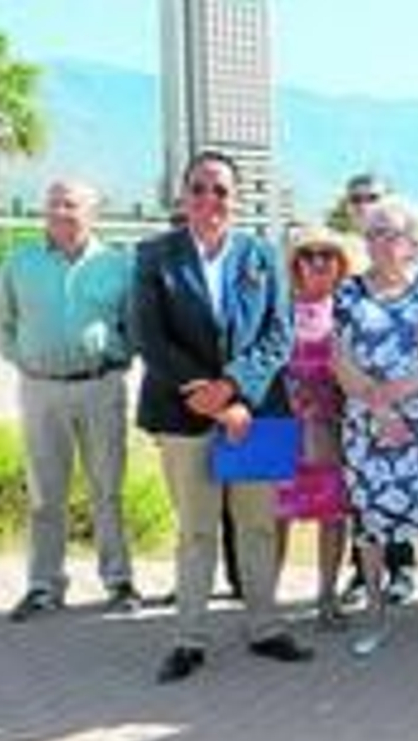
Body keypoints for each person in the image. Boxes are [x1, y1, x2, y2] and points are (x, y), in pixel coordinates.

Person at [134, 150, 313, 684]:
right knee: (196, 530)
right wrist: (201, 390)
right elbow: (148, 334)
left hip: (256, 412)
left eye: (221, 191)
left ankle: (264, 628)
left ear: (237, 199)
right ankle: (189, 637)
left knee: (257, 526)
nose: (210, 200)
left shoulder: (261, 255)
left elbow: (279, 333)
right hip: (181, 410)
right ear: (183, 195)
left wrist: (234, 389)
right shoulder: (154, 257)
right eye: (200, 188)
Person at [0, 179, 141, 622]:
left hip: (100, 388)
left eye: (70, 204)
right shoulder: (20, 262)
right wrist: (28, 361)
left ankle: (119, 581)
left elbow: (133, 325)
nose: (59, 211)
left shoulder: (118, 264)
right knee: (45, 495)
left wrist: (116, 355)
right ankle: (44, 586)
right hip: (40, 390)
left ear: (93, 214)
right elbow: (4, 322)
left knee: (107, 490)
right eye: (53, 203)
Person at [333, 197, 418, 657]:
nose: (381, 243)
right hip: (369, 424)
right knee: (370, 525)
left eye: (391, 233)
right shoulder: (349, 293)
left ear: (412, 242)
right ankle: (374, 614)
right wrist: (380, 407)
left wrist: (409, 388)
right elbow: (341, 362)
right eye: (373, 234)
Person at [335, 171, 417, 607]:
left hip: (407, 393)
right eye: (357, 198)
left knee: (403, 477)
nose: (365, 203)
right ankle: (361, 572)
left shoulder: (409, 261)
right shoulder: (342, 258)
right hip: (356, 392)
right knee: (361, 485)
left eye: (374, 197)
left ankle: (402, 567)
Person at [273, 227, 358, 631]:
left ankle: (327, 598)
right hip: (282, 427)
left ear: (341, 265)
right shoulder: (277, 309)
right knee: (276, 516)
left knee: (333, 515)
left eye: (329, 254)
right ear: (296, 264)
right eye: (310, 254)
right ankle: (265, 601)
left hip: (331, 425)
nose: (320, 261)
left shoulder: (350, 310)